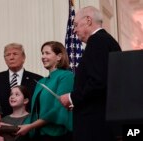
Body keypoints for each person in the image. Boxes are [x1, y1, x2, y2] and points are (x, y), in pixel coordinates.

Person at [58, 6, 122, 141]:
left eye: (75, 25)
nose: (74, 30)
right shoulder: (107, 40)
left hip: (95, 126)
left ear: (88, 20)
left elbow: (98, 82)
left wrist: (71, 98)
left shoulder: (97, 41)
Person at [17, 41, 74, 141]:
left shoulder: (66, 76)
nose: (43, 56)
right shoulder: (41, 81)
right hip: (39, 134)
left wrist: (30, 126)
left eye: (47, 53)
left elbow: (58, 109)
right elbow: (35, 112)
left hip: (58, 135)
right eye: (42, 53)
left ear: (59, 56)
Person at [0, 43, 42, 116]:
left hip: (29, 123)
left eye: (15, 54)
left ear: (23, 57)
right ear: (5, 59)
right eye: (8, 55)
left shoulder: (37, 80)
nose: (11, 57)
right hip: (1, 124)